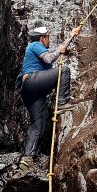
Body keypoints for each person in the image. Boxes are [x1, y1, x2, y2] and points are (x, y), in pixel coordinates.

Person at [16, 23, 82, 171]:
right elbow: (49, 58)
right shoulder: (34, 45)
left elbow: (57, 49)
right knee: (63, 70)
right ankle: (62, 103)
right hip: (33, 80)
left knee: (38, 125)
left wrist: (71, 35)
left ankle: (27, 158)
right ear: (42, 38)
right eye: (47, 37)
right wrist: (59, 51)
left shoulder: (39, 48)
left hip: (30, 91)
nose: (48, 40)